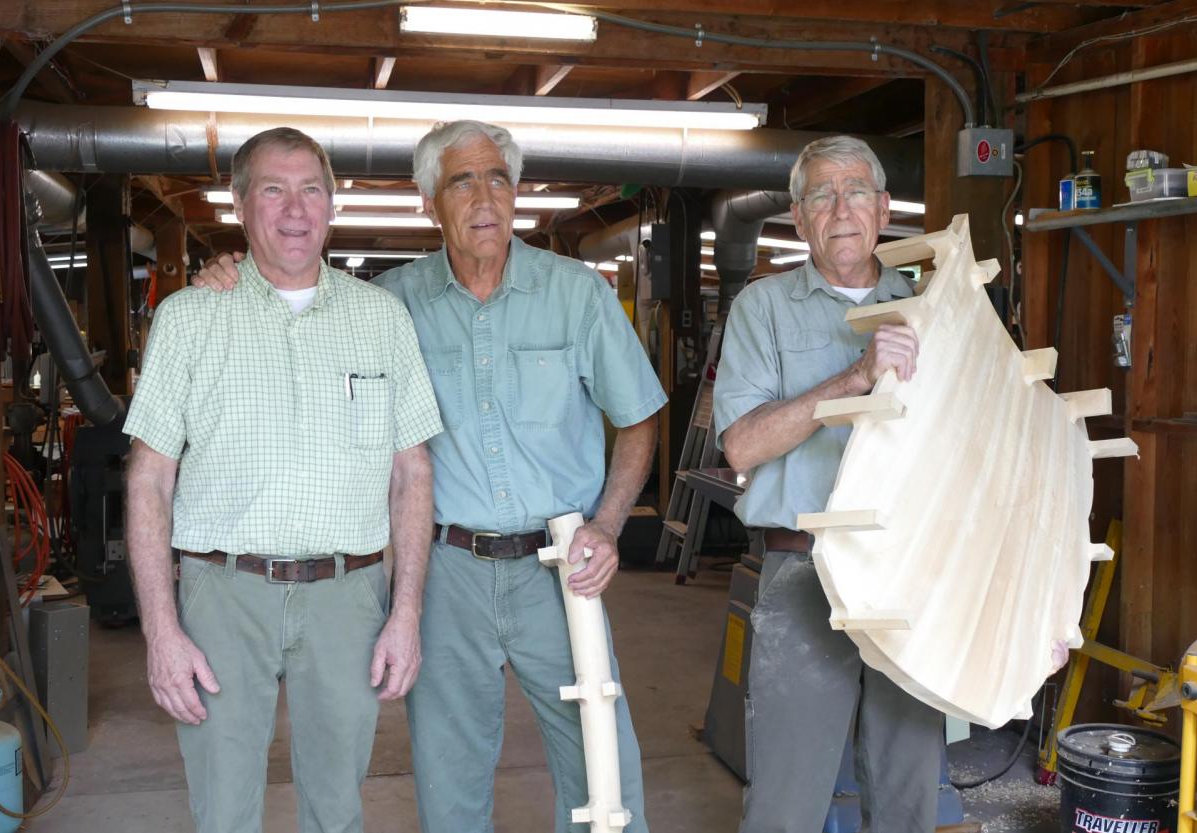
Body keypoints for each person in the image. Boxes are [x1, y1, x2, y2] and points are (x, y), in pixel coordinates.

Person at [196, 120, 665, 833]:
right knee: (450, 776)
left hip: (562, 566)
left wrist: (606, 524)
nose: (485, 197)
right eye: (462, 181)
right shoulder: (389, 305)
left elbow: (639, 416)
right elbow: (296, 302)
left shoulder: (578, 295)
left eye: (499, 178)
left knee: (605, 764)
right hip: (447, 571)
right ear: (428, 202)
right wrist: (228, 278)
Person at [124, 126, 442, 833]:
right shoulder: (188, 318)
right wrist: (161, 630)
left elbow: (411, 472)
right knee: (224, 809)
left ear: (332, 204)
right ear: (240, 205)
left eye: (311, 190)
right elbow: (150, 482)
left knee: (338, 807)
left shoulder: (382, 319)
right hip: (222, 595)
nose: (295, 209)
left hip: (350, 595)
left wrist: (407, 610)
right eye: (273, 189)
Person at [712, 135, 938, 833]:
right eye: (821, 195)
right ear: (800, 219)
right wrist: (853, 377)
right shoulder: (763, 309)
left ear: (884, 207)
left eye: (855, 191)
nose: (840, 208)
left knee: (909, 799)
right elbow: (742, 443)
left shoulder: (934, 309)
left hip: (911, 576)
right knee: (786, 805)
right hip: (803, 570)